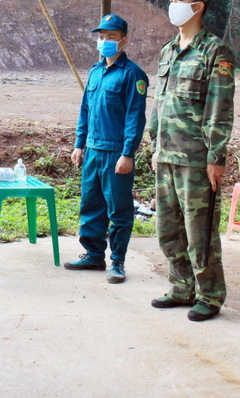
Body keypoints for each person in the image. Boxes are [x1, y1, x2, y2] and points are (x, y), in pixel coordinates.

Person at [147, 0, 235, 322]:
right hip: (166, 154)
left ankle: (209, 295)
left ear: (198, 6)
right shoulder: (168, 50)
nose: (174, 5)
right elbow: (160, 101)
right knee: (168, 228)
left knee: (200, 232)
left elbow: (219, 106)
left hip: (197, 159)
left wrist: (216, 156)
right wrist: (154, 145)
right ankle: (181, 286)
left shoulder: (216, 51)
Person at [68, 14, 149, 284]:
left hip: (116, 153)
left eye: (111, 37)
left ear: (123, 41)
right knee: (91, 205)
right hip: (92, 150)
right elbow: (85, 111)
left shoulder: (133, 75)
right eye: (101, 37)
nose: (104, 42)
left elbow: (135, 117)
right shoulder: (95, 71)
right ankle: (93, 255)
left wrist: (128, 153)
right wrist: (79, 144)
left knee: (119, 209)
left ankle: (118, 261)